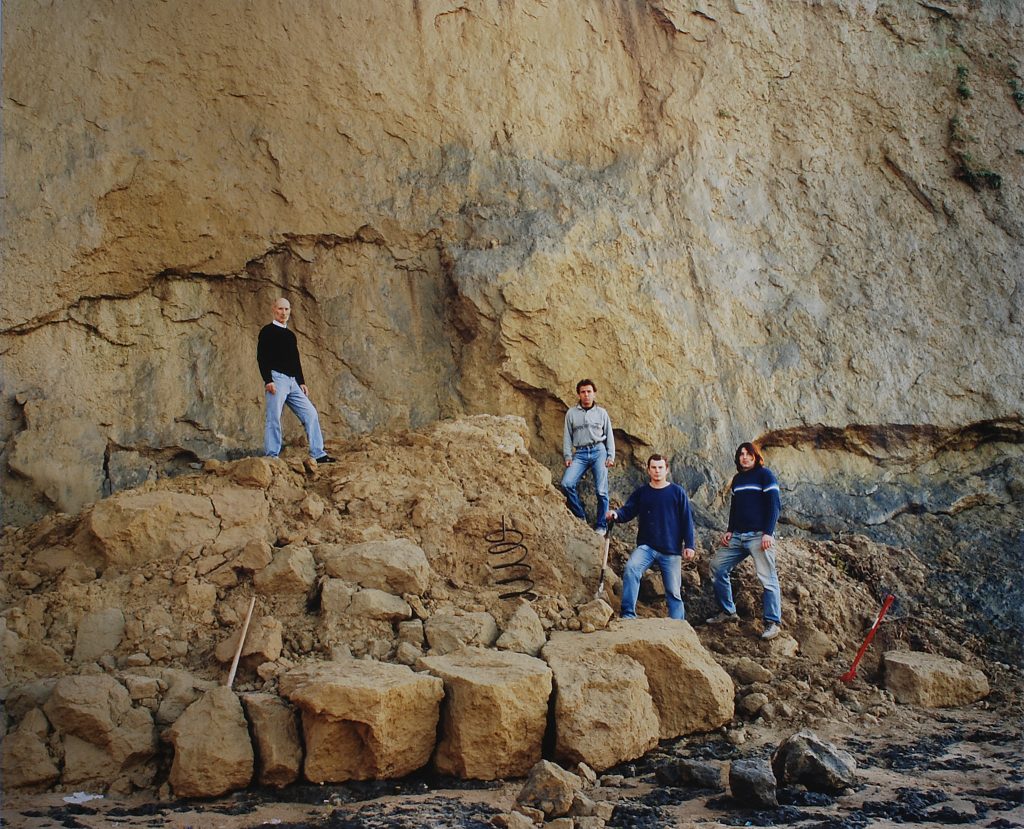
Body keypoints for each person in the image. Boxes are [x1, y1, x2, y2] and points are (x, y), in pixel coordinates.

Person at [706, 442, 782, 640]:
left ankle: (772, 623)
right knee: (716, 566)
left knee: (768, 578)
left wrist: (768, 533)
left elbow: (774, 505)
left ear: (756, 456)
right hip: (738, 536)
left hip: (759, 536)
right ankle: (728, 612)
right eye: (741, 454)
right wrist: (730, 531)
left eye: (749, 454)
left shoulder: (765, 475)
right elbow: (735, 508)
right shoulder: (738, 480)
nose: (745, 457)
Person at [606, 454, 696, 620]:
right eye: (653, 467)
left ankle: (678, 625)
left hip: (671, 550)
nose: (657, 471)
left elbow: (687, 521)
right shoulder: (642, 493)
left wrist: (690, 545)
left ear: (667, 470)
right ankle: (628, 615)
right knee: (631, 569)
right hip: (647, 547)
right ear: (648, 470)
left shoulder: (677, 492)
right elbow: (628, 511)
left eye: (660, 467)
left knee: (674, 591)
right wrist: (616, 514)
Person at [257, 297, 335, 464]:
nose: (283, 313)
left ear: (290, 311)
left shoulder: (290, 335)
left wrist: (301, 382)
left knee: (311, 413)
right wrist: (267, 380)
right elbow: (262, 357)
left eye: (286, 309)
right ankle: (272, 455)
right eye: (280, 309)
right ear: (274, 309)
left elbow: (295, 360)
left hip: (292, 382)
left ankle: (318, 453)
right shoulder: (267, 331)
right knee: (274, 417)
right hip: (276, 379)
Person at [562, 379, 615, 535]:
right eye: (583, 392)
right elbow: (567, 436)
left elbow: (610, 435)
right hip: (580, 453)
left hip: (599, 451)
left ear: (594, 393)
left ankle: (601, 525)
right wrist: (567, 455)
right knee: (566, 483)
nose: (586, 395)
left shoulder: (602, 413)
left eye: (589, 392)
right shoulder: (571, 413)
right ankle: (580, 516)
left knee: (601, 491)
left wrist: (610, 455)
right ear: (579, 394)